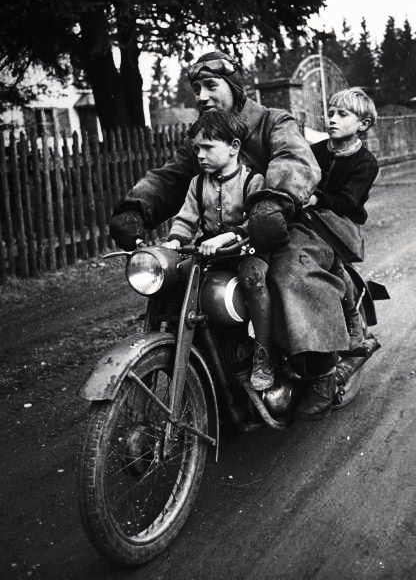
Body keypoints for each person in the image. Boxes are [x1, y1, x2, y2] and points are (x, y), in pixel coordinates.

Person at [110, 51, 351, 419]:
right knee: (180, 284)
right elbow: (172, 176)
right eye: (197, 89)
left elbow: (295, 159)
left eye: (211, 86)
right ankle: (217, 369)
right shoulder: (208, 137)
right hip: (223, 238)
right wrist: (136, 206)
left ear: (235, 87)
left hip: (283, 226)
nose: (202, 96)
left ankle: (321, 370)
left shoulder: (274, 121)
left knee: (290, 276)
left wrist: (273, 200)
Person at [163, 109, 275, 391]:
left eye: (208, 147)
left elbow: (256, 222)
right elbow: (186, 219)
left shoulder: (253, 181)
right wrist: (175, 241)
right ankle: (184, 350)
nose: (200, 155)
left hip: (246, 250)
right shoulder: (197, 184)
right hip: (211, 253)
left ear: (234, 147)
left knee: (255, 280)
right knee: (175, 281)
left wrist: (229, 237)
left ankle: (264, 355)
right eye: (197, 148)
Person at [308, 87, 379, 351]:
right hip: (309, 217)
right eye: (331, 113)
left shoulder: (365, 162)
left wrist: (318, 199)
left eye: (342, 114)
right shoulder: (315, 151)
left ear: (363, 124)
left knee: (333, 262)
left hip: (343, 225)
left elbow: (349, 201)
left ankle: (352, 318)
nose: (333, 119)